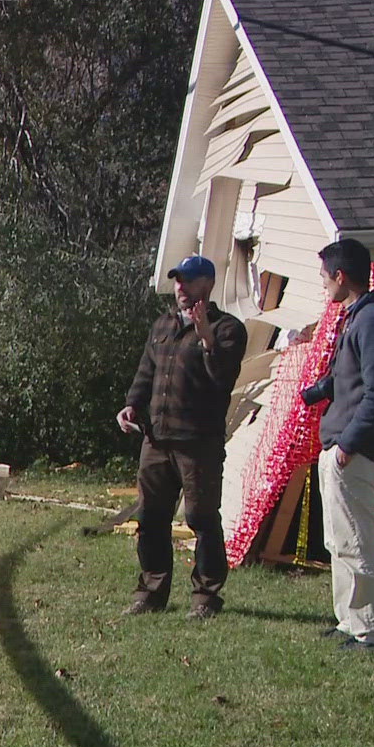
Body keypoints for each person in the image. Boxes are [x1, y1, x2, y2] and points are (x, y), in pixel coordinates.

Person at [116, 255, 248, 619]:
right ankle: (151, 592)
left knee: (202, 519)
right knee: (151, 518)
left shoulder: (227, 329)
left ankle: (205, 597)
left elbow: (222, 377)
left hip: (198, 444)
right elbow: (146, 372)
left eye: (188, 281)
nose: (180, 288)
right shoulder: (163, 325)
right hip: (156, 441)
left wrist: (205, 335)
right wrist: (131, 406)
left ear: (207, 284)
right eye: (177, 281)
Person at [301, 238, 374, 653]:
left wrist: (347, 445)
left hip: (352, 451)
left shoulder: (373, 321)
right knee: (339, 540)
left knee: (357, 540)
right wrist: (314, 392)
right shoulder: (356, 317)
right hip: (341, 446)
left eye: (326, 278)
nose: (324, 285)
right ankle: (349, 621)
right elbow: (350, 378)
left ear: (341, 277)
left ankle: (371, 633)